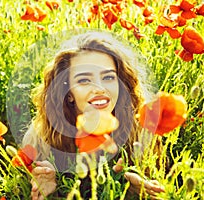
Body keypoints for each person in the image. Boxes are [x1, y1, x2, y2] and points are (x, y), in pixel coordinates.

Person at [22, 30, 165, 200]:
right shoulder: (41, 137)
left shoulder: (141, 132)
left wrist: (132, 193)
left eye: (108, 78)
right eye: (84, 80)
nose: (99, 88)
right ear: (68, 93)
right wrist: (51, 190)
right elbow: (17, 192)